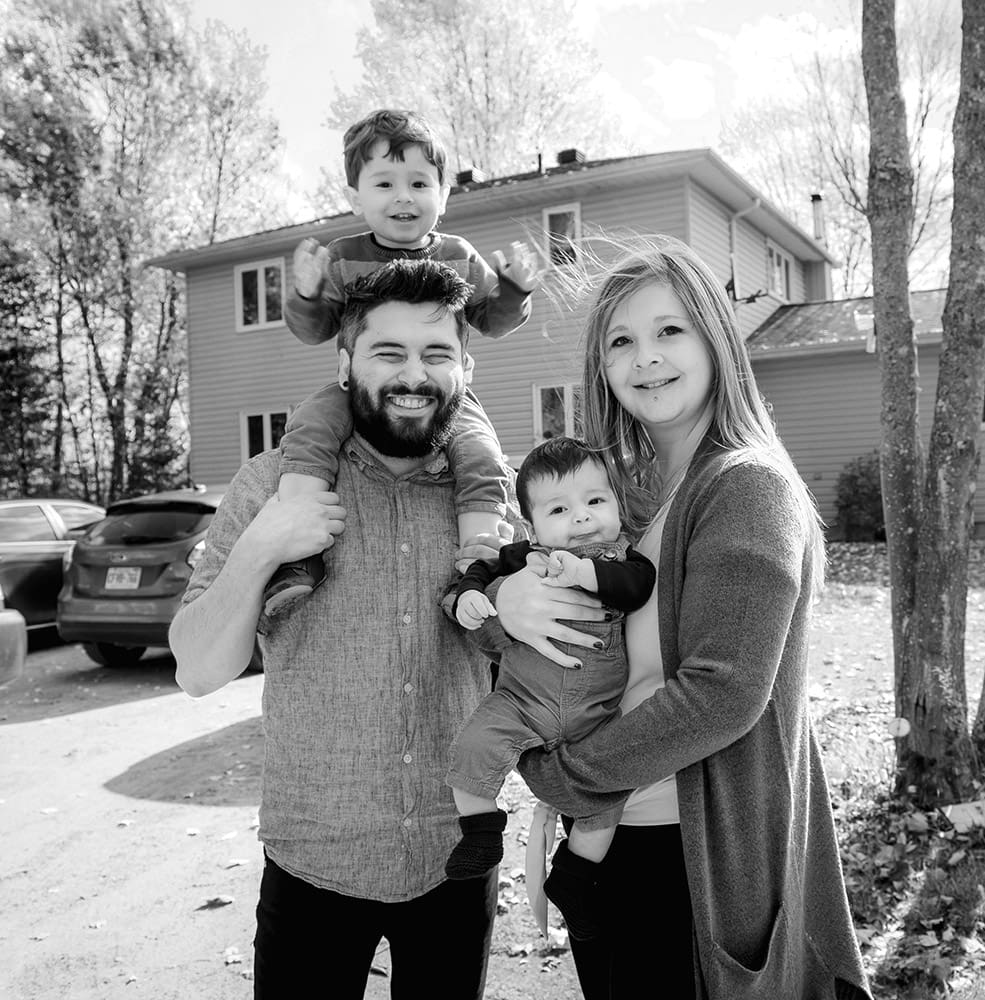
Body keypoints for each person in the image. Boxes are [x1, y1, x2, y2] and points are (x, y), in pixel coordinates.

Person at [489, 237, 873, 999]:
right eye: (621, 341)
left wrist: (560, 777)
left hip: (687, 858)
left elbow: (722, 693)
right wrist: (505, 598)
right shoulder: (624, 496)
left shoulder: (743, 486)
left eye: (670, 331)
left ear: (716, 340)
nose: (646, 359)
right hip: (616, 841)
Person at [169, 259, 533, 1000]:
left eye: (435, 354)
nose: (414, 375)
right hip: (313, 860)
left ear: (465, 366)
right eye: (388, 353)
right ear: (344, 363)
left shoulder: (493, 514)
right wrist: (265, 543)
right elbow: (198, 670)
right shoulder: (274, 484)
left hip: (456, 855)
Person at [265, 108, 540, 615]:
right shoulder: (343, 257)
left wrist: (517, 288)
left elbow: (492, 320)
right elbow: (316, 330)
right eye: (384, 183)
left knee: (481, 451)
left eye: (419, 182)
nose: (403, 197)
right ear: (355, 197)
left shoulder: (458, 254)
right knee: (309, 428)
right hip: (359, 392)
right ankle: (298, 551)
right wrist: (305, 293)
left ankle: (481, 561)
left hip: (442, 398)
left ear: (444, 193)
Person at [442, 437, 654, 937]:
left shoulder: (627, 559)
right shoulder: (524, 557)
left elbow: (636, 589)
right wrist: (470, 595)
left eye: (595, 501)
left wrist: (586, 571)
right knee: (471, 747)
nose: (581, 518)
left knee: (607, 799)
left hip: (596, 716)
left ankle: (575, 876)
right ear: (531, 525)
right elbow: (480, 569)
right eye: (560, 509)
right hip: (520, 702)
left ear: (617, 505)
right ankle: (481, 830)